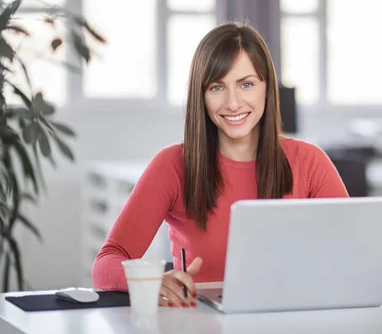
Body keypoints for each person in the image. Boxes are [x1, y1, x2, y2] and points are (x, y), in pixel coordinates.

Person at [92, 21, 349, 308]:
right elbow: (107, 262)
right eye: (217, 87)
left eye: (246, 84)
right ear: (201, 96)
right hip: (198, 328)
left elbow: (352, 258)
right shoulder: (172, 165)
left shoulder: (310, 161)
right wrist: (150, 282)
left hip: (292, 322)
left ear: (267, 89)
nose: (233, 103)